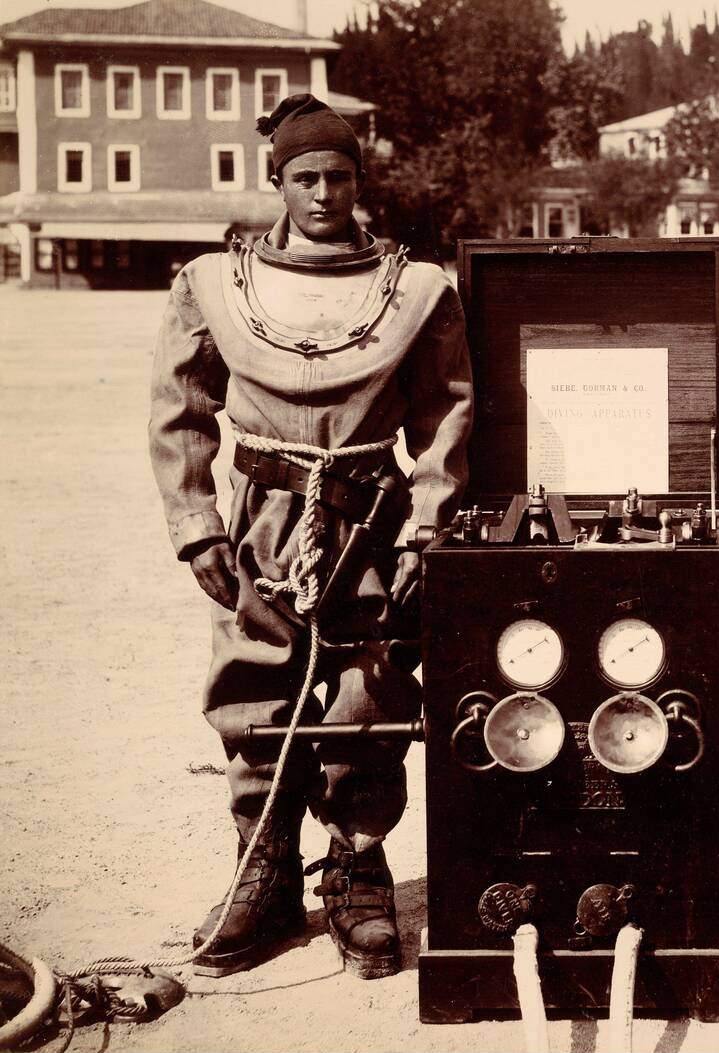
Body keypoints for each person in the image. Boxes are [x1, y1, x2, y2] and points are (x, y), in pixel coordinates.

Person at [148, 94, 473, 979]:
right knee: (255, 689)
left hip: (372, 514)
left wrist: (429, 528)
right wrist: (196, 526)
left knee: (370, 692)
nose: (325, 193)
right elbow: (181, 412)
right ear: (278, 182)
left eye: (339, 175)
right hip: (262, 515)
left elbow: (448, 414)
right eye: (306, 177)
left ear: (359, 179)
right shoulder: (215, 285)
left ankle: (359, 869)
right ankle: (265, 870)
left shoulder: (415, 288)